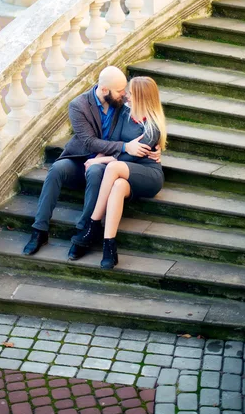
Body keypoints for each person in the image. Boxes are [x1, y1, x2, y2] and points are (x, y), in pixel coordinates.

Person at [23, 66, 160, 259]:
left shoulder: (121, 104)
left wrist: (155, 146)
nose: (124, 94)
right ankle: (39, 230)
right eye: (120, 91)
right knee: (56, 169)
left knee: (96, 172)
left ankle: (84, 229)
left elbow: (146, 119)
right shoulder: (78, 105)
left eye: (125, 91)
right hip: (81, 159)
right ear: (104, 90)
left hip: (107, 163)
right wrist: (124, 147)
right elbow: (88, 142)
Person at [72, 76, 166, 269]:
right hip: (125, 173)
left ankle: (93, 223)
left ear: (141, 97)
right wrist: (111, 153)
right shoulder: (125, 114)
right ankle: (109, 245)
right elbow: (115, 143)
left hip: (148, 175)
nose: (126, 97)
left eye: (130, 94)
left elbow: (128, 158)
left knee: (114, 167)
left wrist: (99, 160)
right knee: (118, 185)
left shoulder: (152, 126)